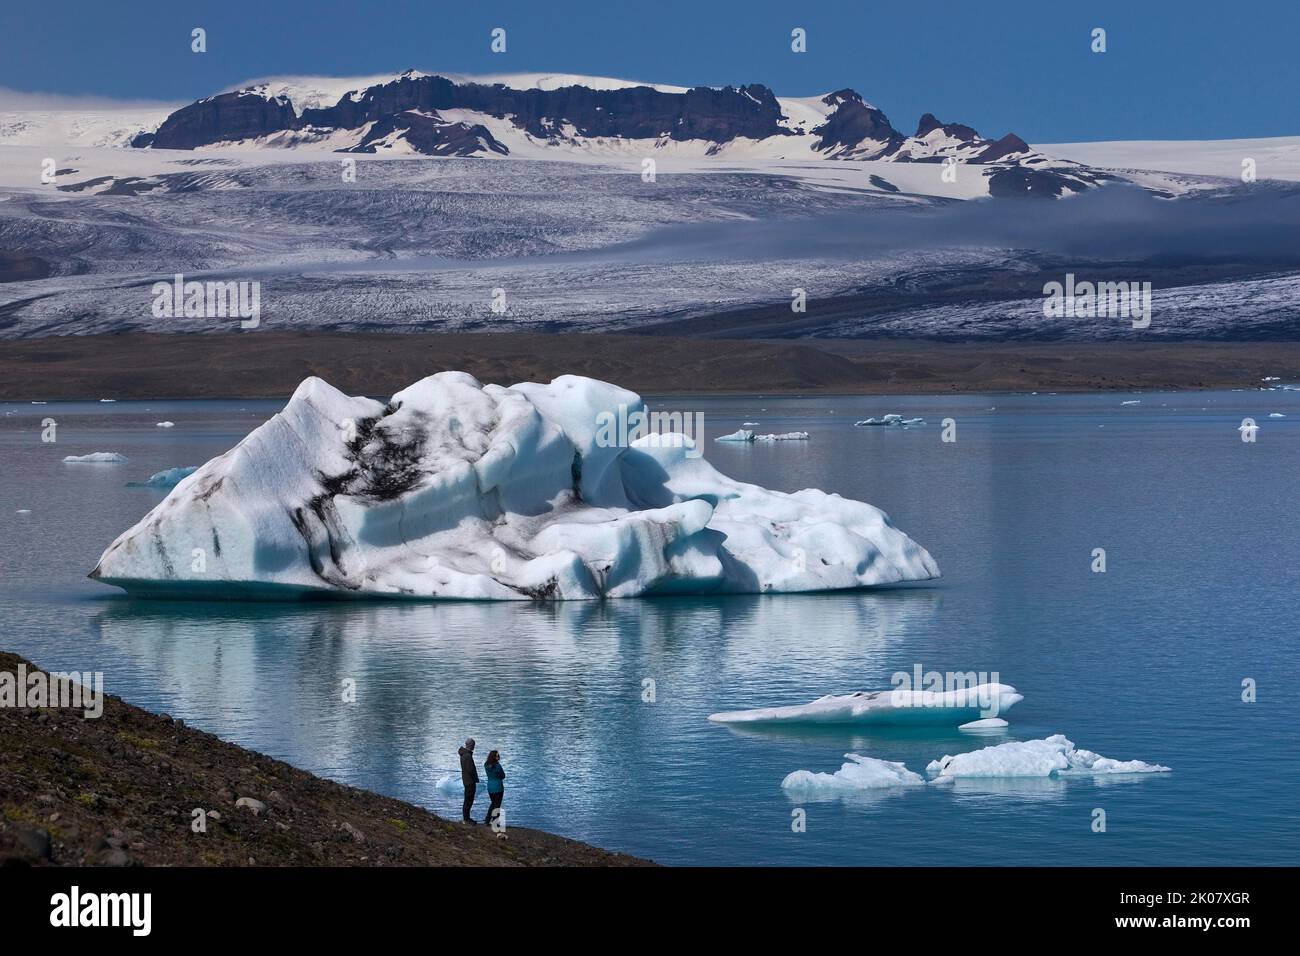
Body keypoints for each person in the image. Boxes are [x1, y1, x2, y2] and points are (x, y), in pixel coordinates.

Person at [458, 738, 479, 824]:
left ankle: (466, 818)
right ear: (470, 745)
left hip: (466, 780)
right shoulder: (467, 756)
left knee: (467, 800)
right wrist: (475, 778)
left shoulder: (464, 755)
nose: (474, 746)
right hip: (470, 781)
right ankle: (466, 819)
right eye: (473, 745)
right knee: (469, 800)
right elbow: (471, 769)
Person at [483, 750, 505, 828]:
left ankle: (487, 820)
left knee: (493, 804)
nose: (499, 757)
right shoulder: (497, 766)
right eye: (497, 755)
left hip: (490, 788)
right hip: (498, 787)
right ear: (495, 757)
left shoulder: (486, 765)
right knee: (497, 805)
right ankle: (494, 822)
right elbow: (503, 776)